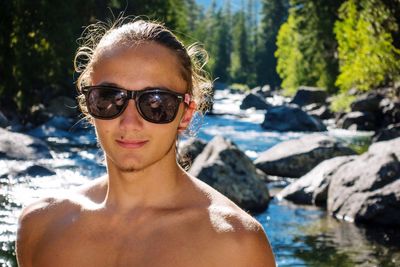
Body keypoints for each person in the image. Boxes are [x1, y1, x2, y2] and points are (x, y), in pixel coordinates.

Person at [16, 18, 276, 267]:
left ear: (186, 114)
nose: (130, 123)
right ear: (88, 104)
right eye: (109, 97)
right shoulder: (40, 226)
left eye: (156, 103)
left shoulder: (236, 245)